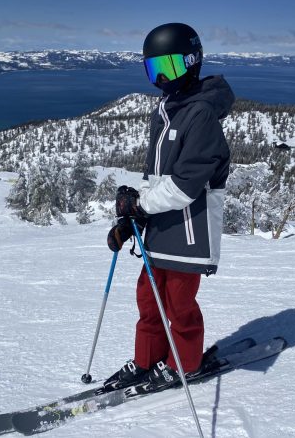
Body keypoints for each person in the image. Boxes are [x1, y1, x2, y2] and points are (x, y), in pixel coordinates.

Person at [104, 23, 235, 393]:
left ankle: (183, 364)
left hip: (189, 230)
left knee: (179, 305)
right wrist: (132, 217)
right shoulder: (166, 112)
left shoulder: (202, 115)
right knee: (149, 299)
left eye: (171, 67)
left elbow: (185, 186)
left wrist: (142, 206)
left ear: (192, 63)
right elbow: (158, 176)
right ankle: (148, 359)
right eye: (153, 69)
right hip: (161, 228)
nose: (162, 77)